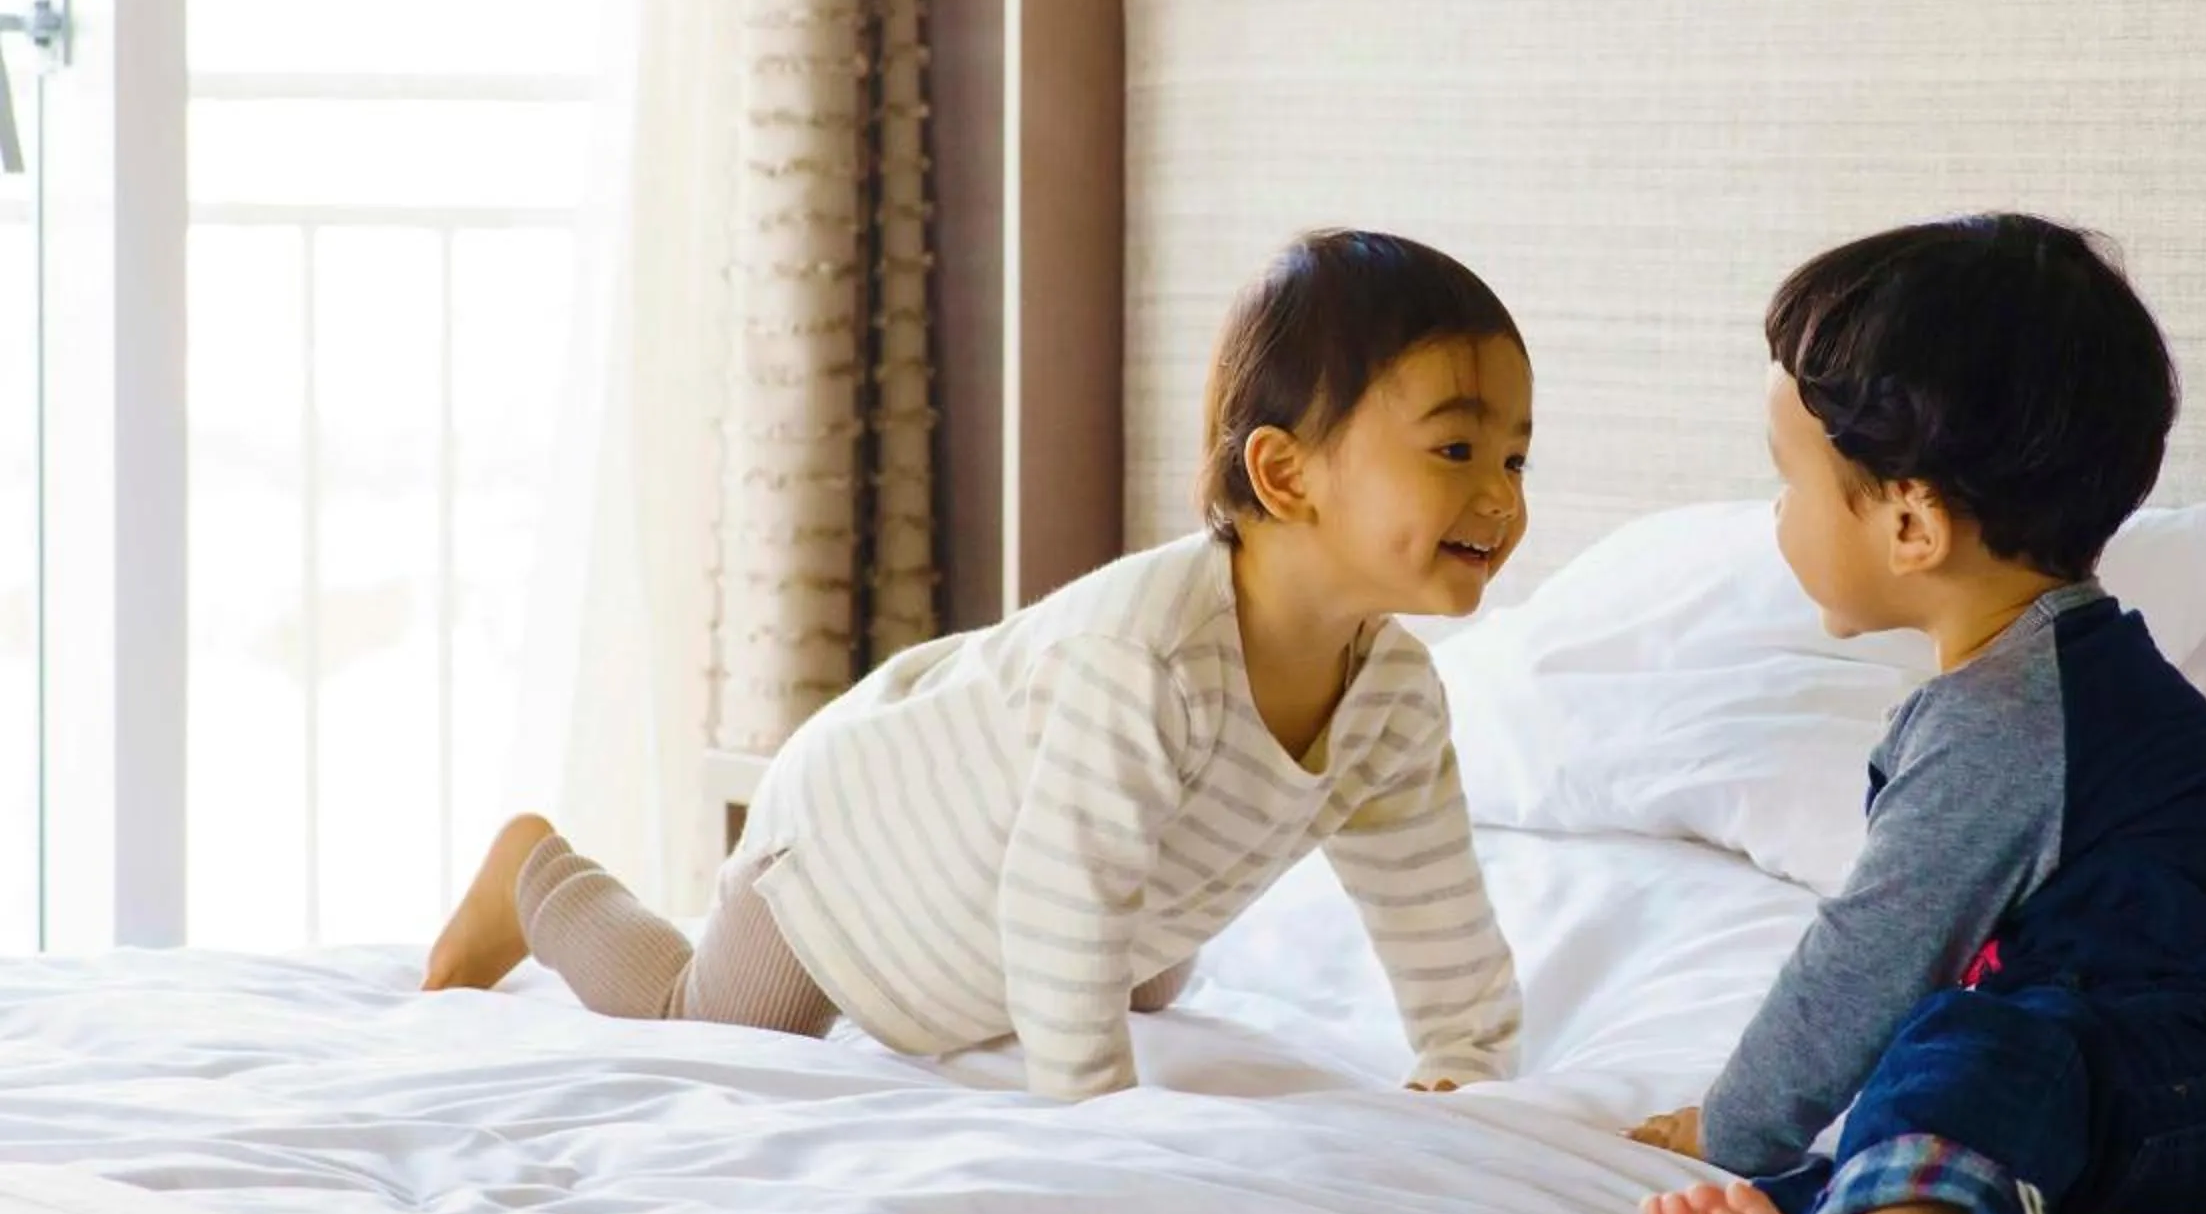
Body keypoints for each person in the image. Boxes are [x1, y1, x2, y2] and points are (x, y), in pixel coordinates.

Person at [425, 229, 1530, 1101]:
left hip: (1046, 875)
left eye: (1517, 455)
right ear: (1286, 477)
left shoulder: (1393, 699)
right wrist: (1099, 1119)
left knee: (1132, 956)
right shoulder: (1148, 658)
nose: (1502, 496)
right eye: (1456, 450)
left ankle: (1098, 956)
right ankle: (537, 877)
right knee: (704, 1023)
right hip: (861, 853)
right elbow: (1064, 908)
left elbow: (1430, 900)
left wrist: (1464, 1061)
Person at [1616, 212, 2206, 1214]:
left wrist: (1734, 1123)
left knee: (1970, 1040)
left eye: (1789, 480)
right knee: (1952, 1063)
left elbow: (1871, 954)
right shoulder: (2032, 688)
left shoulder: (2015, 716)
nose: (1777, 516)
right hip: (2155, 1091)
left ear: (1911, 525)